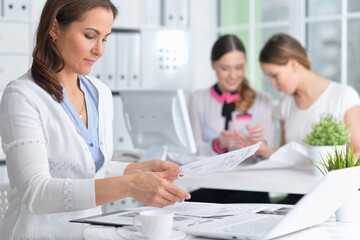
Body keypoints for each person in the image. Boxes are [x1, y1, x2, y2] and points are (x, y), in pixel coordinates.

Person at [0, 0, 190, 239]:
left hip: (88, 233)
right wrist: (131, 186)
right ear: (55, 29)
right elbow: (36, 193)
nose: (99, 50)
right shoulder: (23, 96)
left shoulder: (100, 93)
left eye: (105, 38)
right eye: (90, 36)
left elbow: (88, 169)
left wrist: (136, 170)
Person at [259, 33, 360, 203]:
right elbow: (287, 157)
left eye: (274, 75)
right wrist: (268, 152)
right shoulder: (285, 104)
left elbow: (359, 150)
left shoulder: (343, 96)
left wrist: (332, 172)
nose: (273, 84)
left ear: (293, 64)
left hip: (335, 193)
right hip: (298, 193)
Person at [188, 34, 275, 203]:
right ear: (213, 65)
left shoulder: (263, 101)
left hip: (251, 187)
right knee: (182, 205)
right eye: (225, 68)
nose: (233, 75)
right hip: (212, 184)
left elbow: (270, 156)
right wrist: (217, 145)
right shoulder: (198, 99)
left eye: (239, 67)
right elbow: (193, 153)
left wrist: (258, 145)